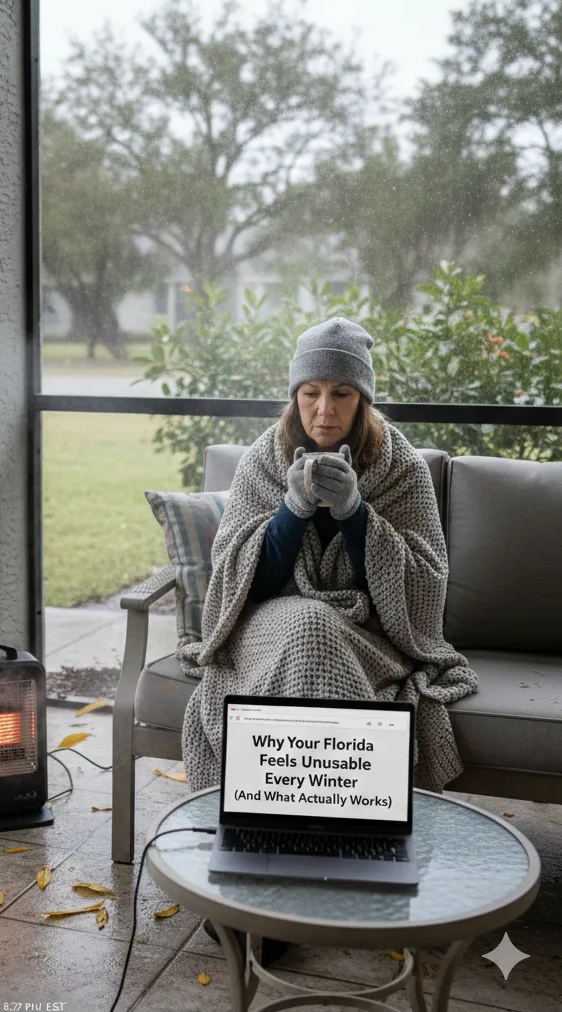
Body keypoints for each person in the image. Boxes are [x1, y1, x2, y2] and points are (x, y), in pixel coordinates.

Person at [181, 317, 480, 963]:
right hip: (266, 626)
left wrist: (356, 517)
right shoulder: (265, 457)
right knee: (307, 627)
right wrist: (290, 513)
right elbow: (241, 581)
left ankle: (265, 879)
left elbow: (425, 584)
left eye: (340, 394)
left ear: (363, 400)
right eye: (310, 391)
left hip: (370, 634)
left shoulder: (401, 467)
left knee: (318, 633)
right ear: (293, 395)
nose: (323, 409)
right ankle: (337, 866)